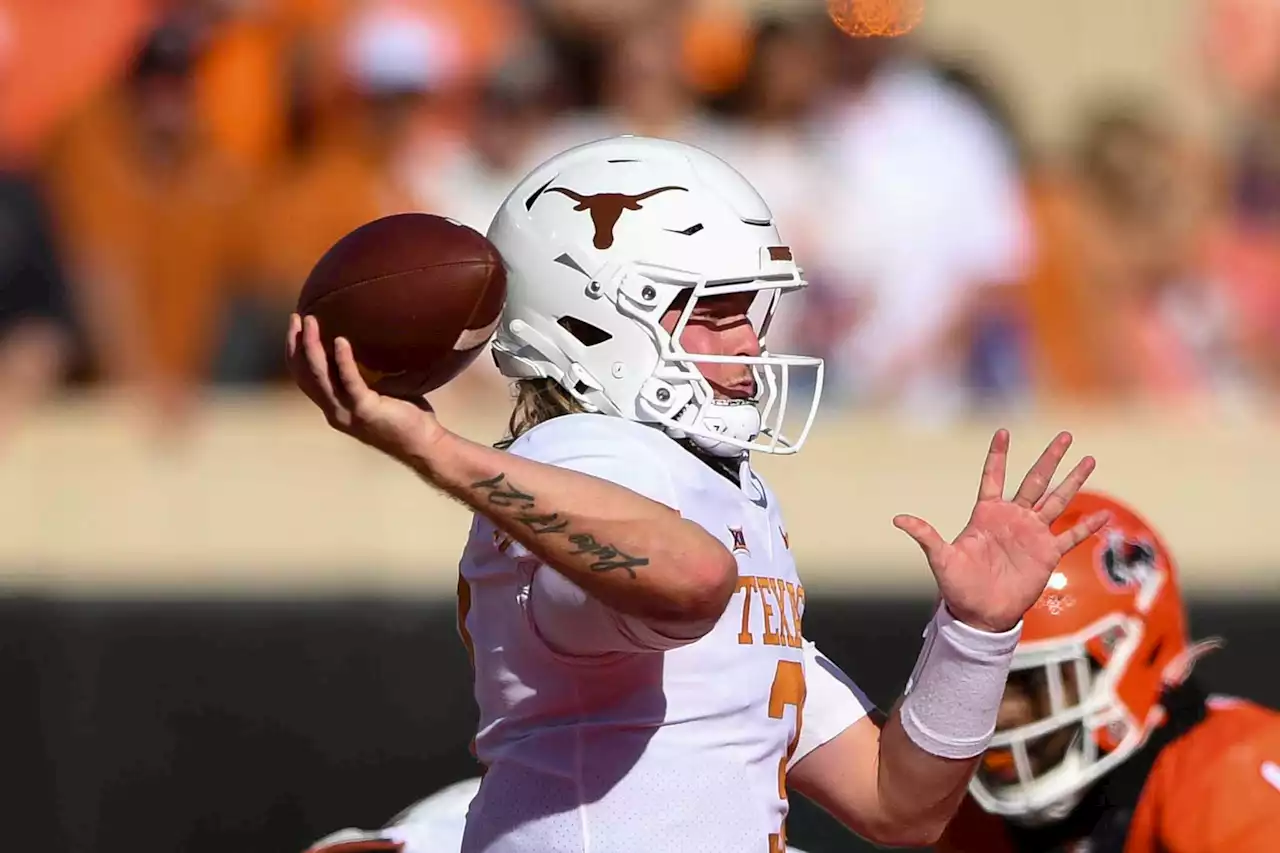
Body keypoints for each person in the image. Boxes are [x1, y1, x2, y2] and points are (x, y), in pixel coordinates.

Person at [288, 136, 1105, 852]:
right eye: (713, 311)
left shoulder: (720, 492)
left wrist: (976, 632)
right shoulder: (587, 449)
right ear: (590, 321)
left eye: (752, 310)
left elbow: (899, 803)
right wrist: (437, 447)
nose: (751, 342)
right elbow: (688, 580)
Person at [939, 491, 1280, 853]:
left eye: (1032, 681)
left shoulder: (1229, 782)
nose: (1001, 712)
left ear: (1129, 660)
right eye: (978, 677)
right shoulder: (971, 815)